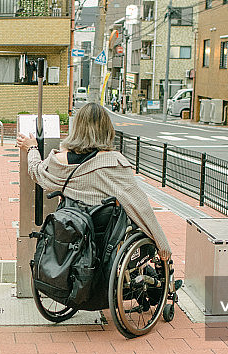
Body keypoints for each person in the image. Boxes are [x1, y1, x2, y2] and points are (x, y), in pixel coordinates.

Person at [16, 102, 172, 263]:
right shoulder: (115, 163)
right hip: (107, 240)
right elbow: (140, 206)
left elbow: (36, 172)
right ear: (106, 129)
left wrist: (32, 148)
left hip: (73, 236)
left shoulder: (59, 161)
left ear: (76, 128)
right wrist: (163, 245)